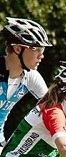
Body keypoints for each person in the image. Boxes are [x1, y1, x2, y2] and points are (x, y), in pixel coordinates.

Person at [0, 17, 53, 145]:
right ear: (18, 49)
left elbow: (53, 107)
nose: (42, 56)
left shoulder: (31, 77)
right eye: (37, 49)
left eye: (43, 50)